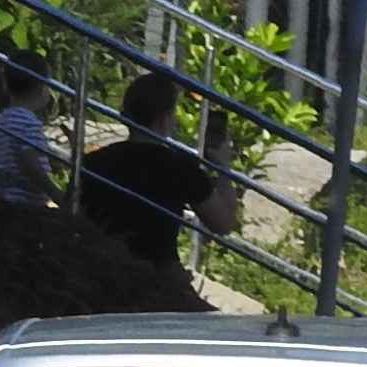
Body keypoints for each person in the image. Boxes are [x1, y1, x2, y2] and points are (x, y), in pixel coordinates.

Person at [78, 71, 243, 267]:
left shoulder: (94, 162)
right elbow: (224, 224)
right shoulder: (182, 168)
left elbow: (77, 215)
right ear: (165, 119)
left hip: (97, 267)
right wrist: (224, 168)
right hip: (157, 275)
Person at [0, 61, 53, 206]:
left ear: (6, 86)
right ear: (41, 88)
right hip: (26, 203)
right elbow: (28, 160)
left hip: (1, 198)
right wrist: (55, 193)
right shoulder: (28, 122)